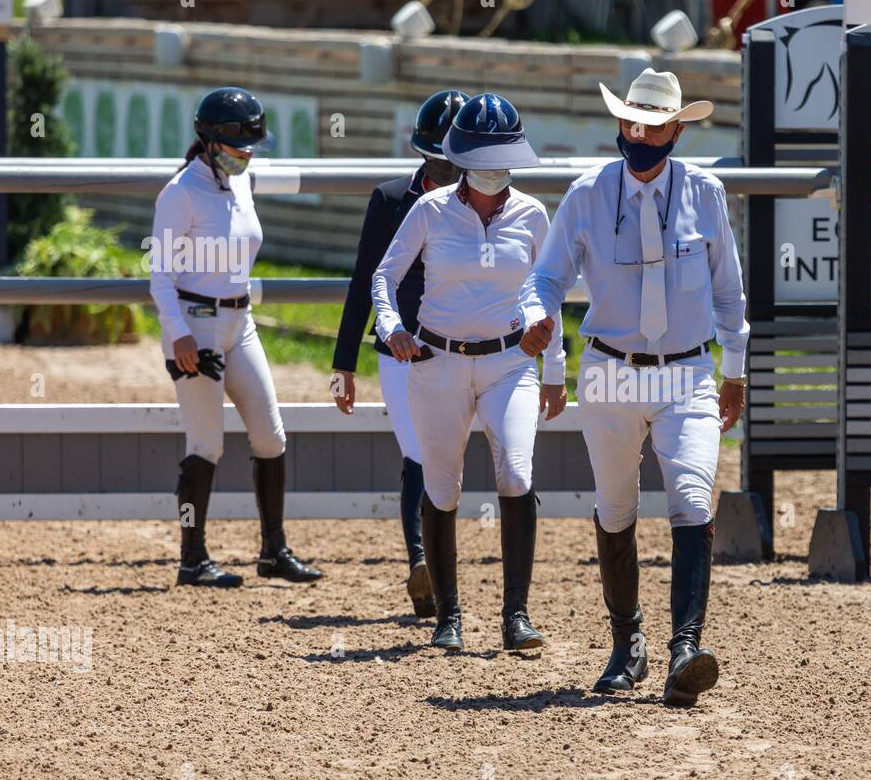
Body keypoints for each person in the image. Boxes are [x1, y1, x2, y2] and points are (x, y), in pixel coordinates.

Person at [518, 68, 748, 707]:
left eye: (652, 125)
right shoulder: (586, 194)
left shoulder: (706, 194)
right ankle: (627, 644)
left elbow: (729, 290)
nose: (639, 134)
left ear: (677, 129)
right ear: (619, 122)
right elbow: (545, 277)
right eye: (629, 123)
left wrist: (735, 367)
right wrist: (533, 319)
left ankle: (685, 647)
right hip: (609, 370)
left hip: (688, 372)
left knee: (694, 498)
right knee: (616, 506)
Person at [371, 93, 567, 652]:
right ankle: (448, 616)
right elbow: (384, 277)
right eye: (481, 156)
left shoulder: (532, 214)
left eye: (500, 155)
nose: (491, 169)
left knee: (517, 472)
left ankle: (517, 615)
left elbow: (546, 292)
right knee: (443, 483)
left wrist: (553, 367)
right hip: (437, 362)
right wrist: (392, 328)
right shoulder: (429, 212)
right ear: (459, 156)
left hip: (510, 363)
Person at [151, 86, 322, 588]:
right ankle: (192, 557)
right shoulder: (180, 192)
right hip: (194, 323)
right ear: (209, 142)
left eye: (251, 149)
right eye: (238, 149)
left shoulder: (241, 182)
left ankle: (273, 551)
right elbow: (159, 274)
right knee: (206, 442)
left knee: (270, 435)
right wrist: (179, 335)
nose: (247, 157)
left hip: (240, 323)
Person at [332, 89, 469, 618]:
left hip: (462, 350)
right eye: (436, 162)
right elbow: (363, 281)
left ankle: (432, 567)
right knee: (419, 453)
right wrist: (344, 363)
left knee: (442, 459)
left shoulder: (482, 203)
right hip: (399, 350)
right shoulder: (391, 200)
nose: (445, 174)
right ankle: (423, 564)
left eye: (453, 164)